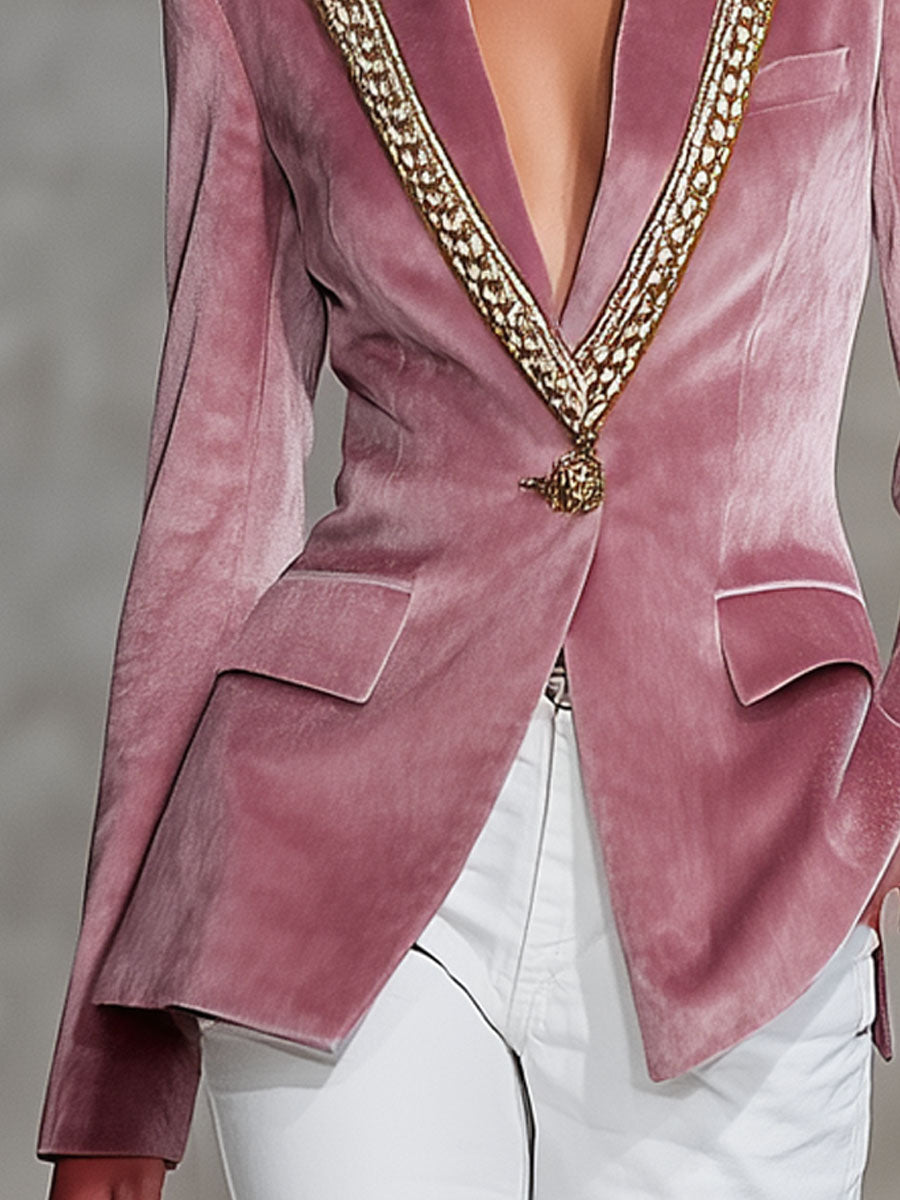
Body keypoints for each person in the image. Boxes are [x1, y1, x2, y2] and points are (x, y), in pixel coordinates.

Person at [38, 0, 900, 1195]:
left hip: (753, 857)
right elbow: (213, 489)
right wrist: (113, 1070)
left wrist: (878, 807)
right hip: (329, 857)